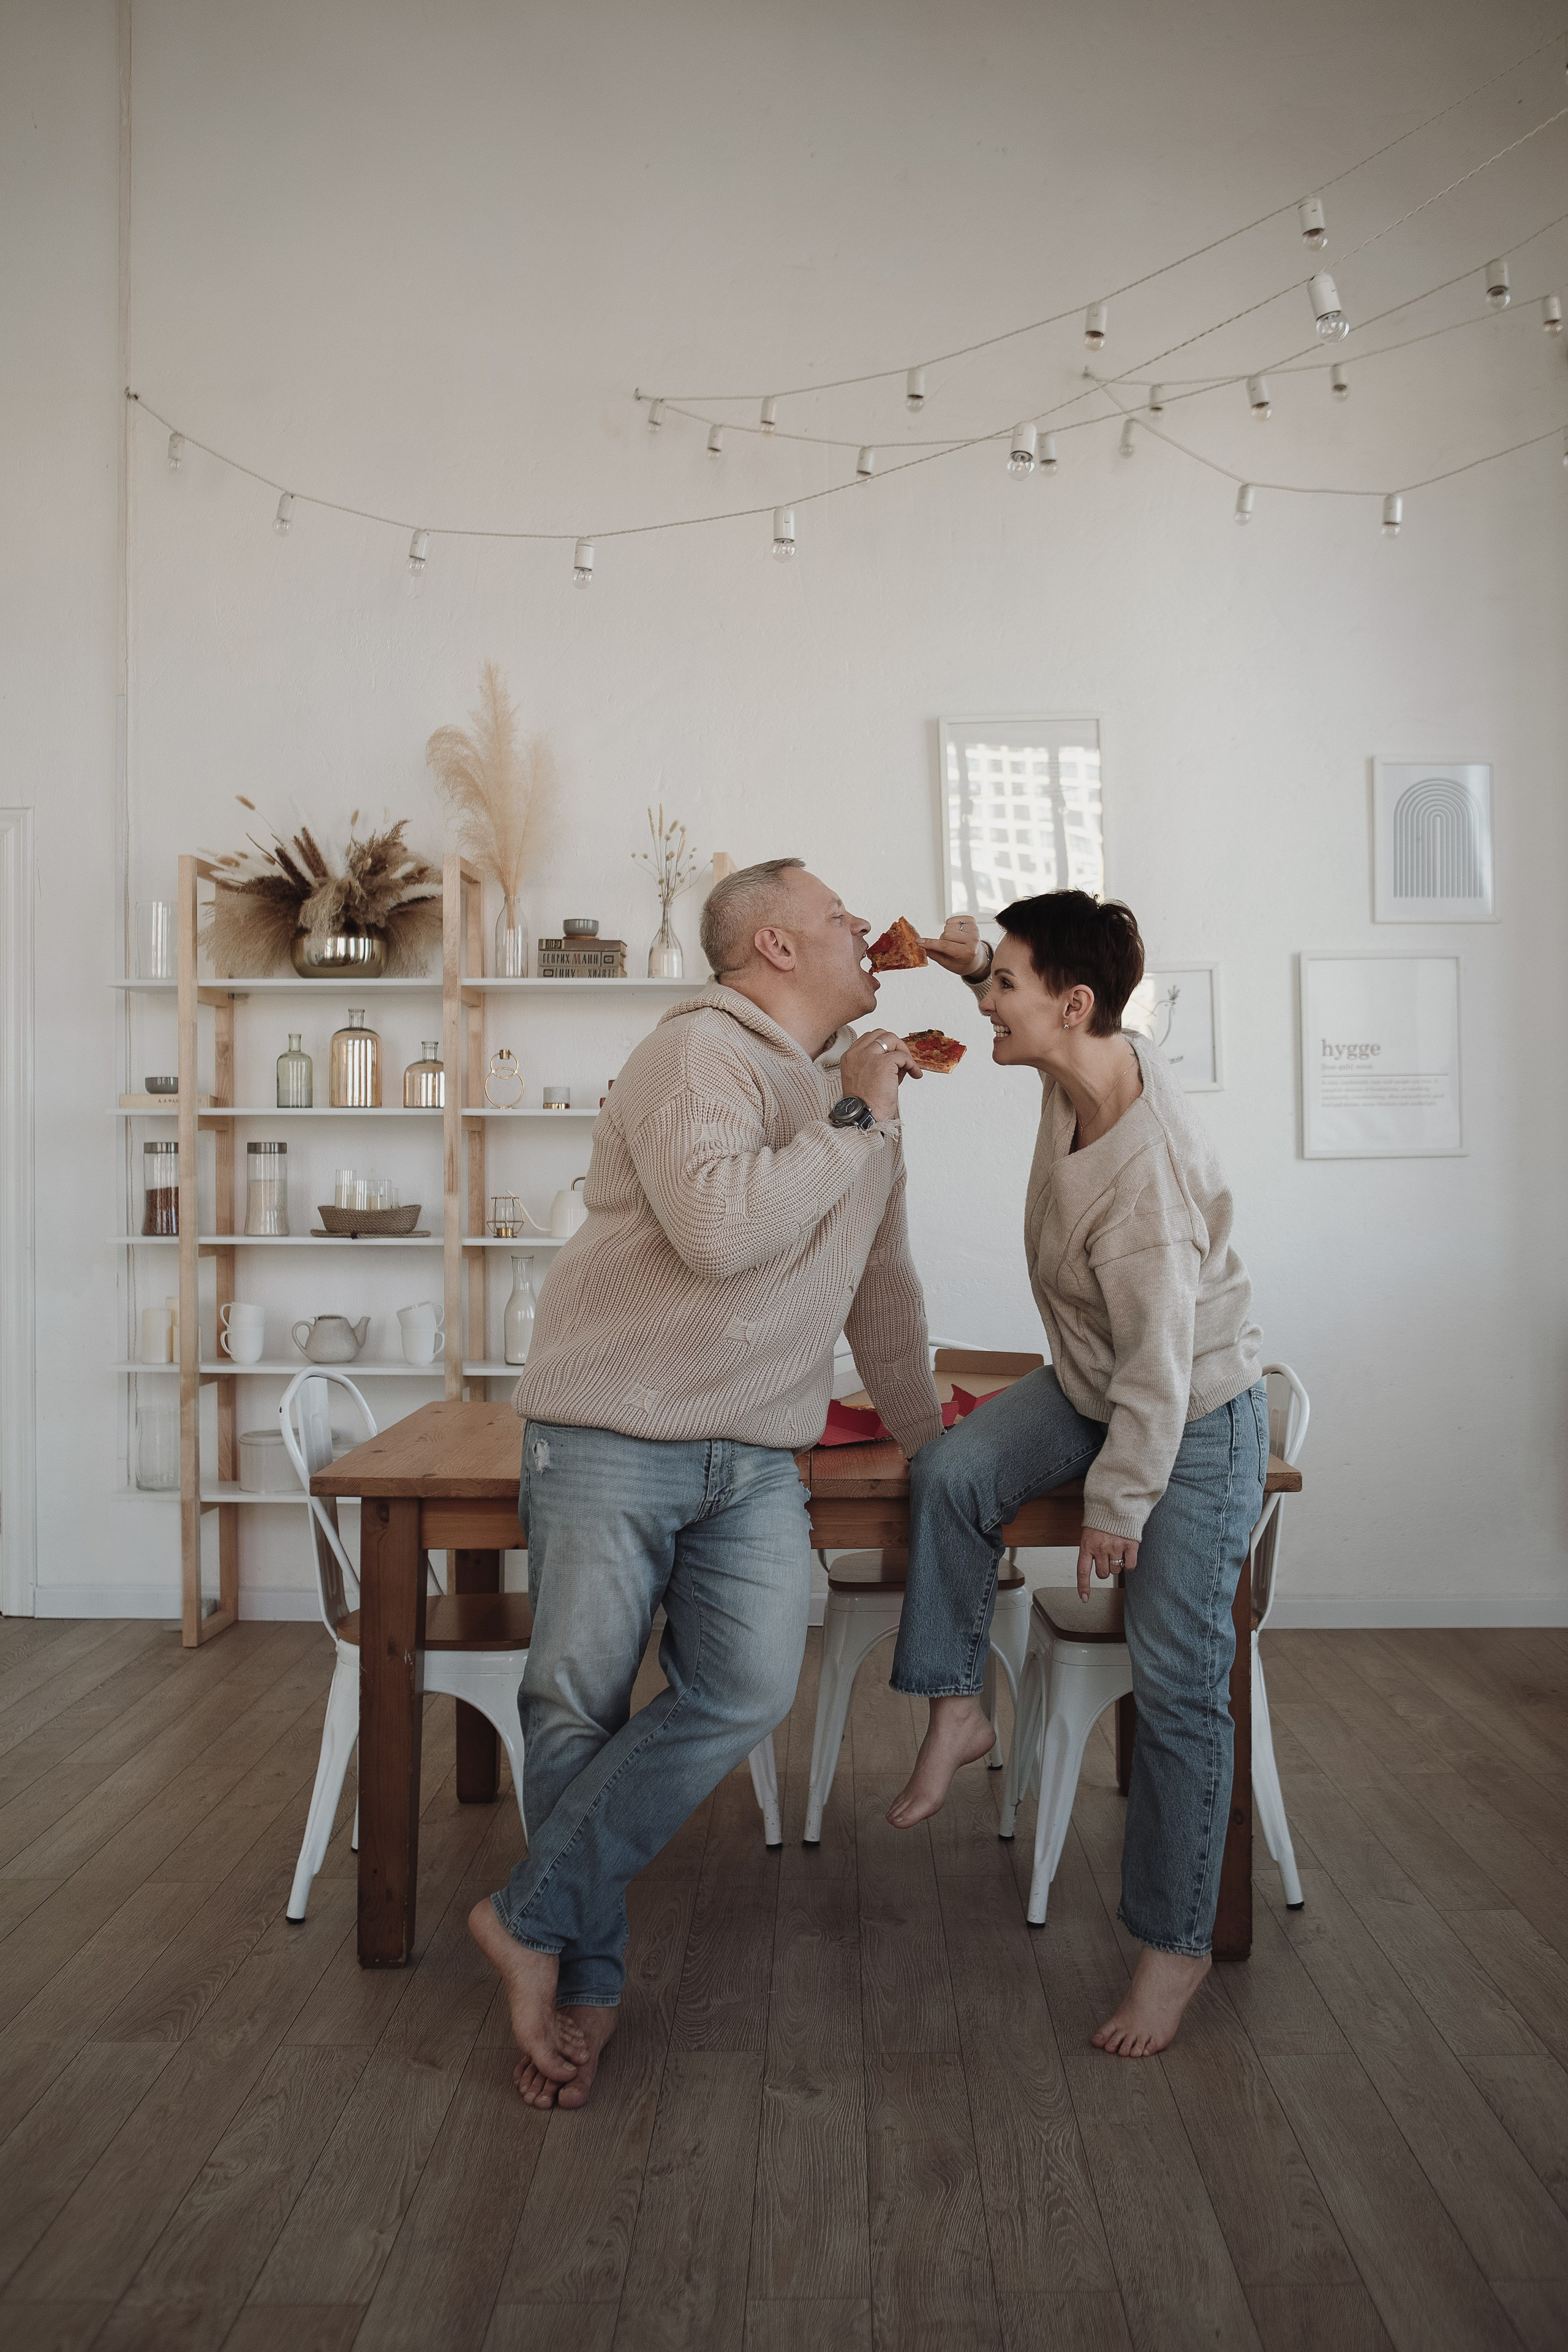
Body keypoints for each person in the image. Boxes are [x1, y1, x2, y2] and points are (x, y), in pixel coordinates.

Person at [470, 858, 943, 2108]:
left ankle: (525, 1920)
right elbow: (722, 1231)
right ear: (774, 947)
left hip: (753, 1453)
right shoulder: (697, 1052)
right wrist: (852, 1117)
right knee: (575, 1707)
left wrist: (928, 1442)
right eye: (843, 921)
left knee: (743, 1687)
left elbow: (878, 1288)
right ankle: (582, 1989)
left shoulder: (857, 1099)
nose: (867, 935)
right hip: (613, 1433)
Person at [884, 892, 1266, 2060]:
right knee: (951, 1472)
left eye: (1002, 982)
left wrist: (1118, 1507)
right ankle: (961, 1708)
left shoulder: (1143, 1178)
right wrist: (968, 967)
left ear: (1074, 1004)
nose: (989, 999)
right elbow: (1037, 1017)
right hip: (1098, 1383)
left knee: (1180, 1681)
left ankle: (1176, 1945)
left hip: (1188, 1419)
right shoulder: (1085, 1061)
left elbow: (1159, 1373)